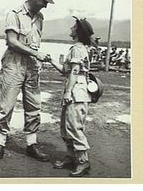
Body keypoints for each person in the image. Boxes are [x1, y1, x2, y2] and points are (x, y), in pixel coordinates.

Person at [0, 0, 56, 163]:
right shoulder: (14, 14)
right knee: (7, 105)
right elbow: (12, 42)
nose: (46, 5)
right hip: (14, 64)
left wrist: (37, 57)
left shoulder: (40, 17)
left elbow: (34, 43)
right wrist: (36, 53)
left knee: (34, 106)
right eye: (44, 1)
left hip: (32, 67)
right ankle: (0, 144)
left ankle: (31, 144)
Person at [47, 16, 94, 177]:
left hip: (76, 92)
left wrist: (68, 92)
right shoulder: (77, 48)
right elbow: (66, 70)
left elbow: (74, 72)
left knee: (74, 127)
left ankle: (83, 161)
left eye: (73, 27)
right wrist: (51, 60)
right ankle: (72, 156)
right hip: (75, 90)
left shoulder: (77, 49)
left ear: (78, 32)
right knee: (66, 127)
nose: (70, 29)